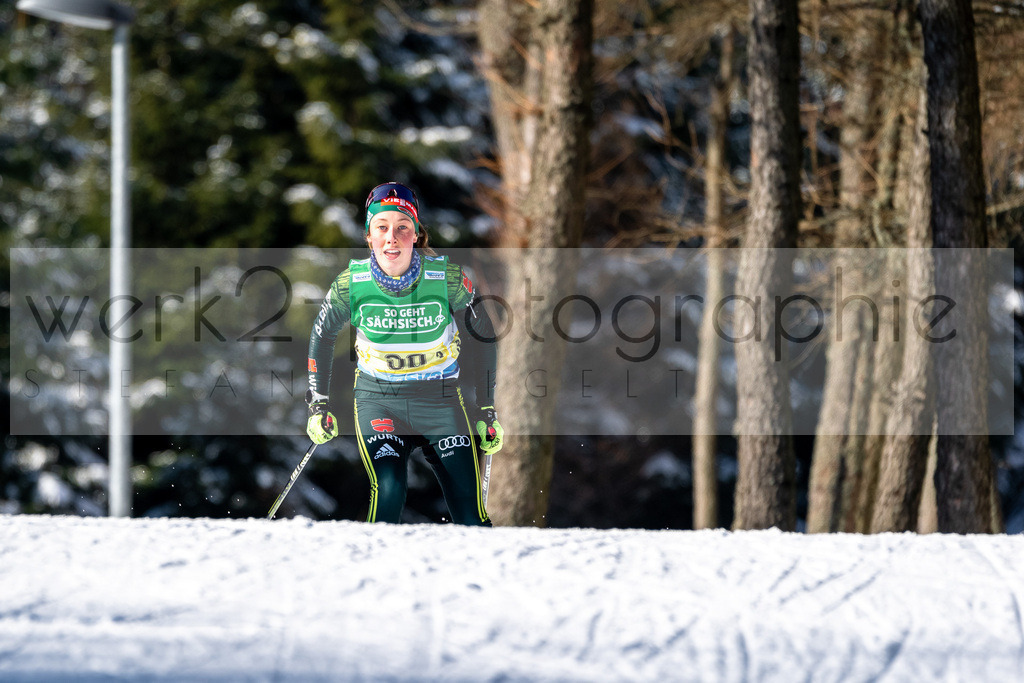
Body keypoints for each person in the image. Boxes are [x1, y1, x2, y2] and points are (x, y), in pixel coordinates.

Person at [305, 181, 502, 525]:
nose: (391, 237)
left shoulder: (447, 279)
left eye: (402, 228)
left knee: (471, 514)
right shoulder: (352, 284)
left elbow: (485, 334)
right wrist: (319, 404)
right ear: (369, 236)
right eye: (381, 228)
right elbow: (322, 337)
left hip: (439, 401)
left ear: (415, 234)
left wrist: (486, 408)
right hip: (379, 400)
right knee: (390, 487)